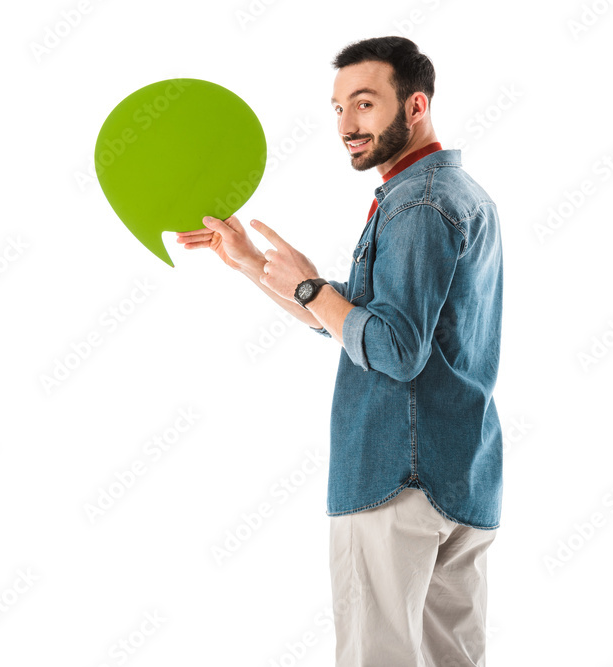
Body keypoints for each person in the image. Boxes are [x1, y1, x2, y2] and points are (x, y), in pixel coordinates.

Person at [176, 36, 503, 666]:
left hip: (393, 480)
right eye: (337, 109)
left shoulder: (418, 204)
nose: (347, 126)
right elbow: (356, 320)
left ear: (415, 106)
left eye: (364, 104)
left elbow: (392, 348)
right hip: (463, 478)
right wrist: (252, 266)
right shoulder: (460, 194)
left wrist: (305, 284)